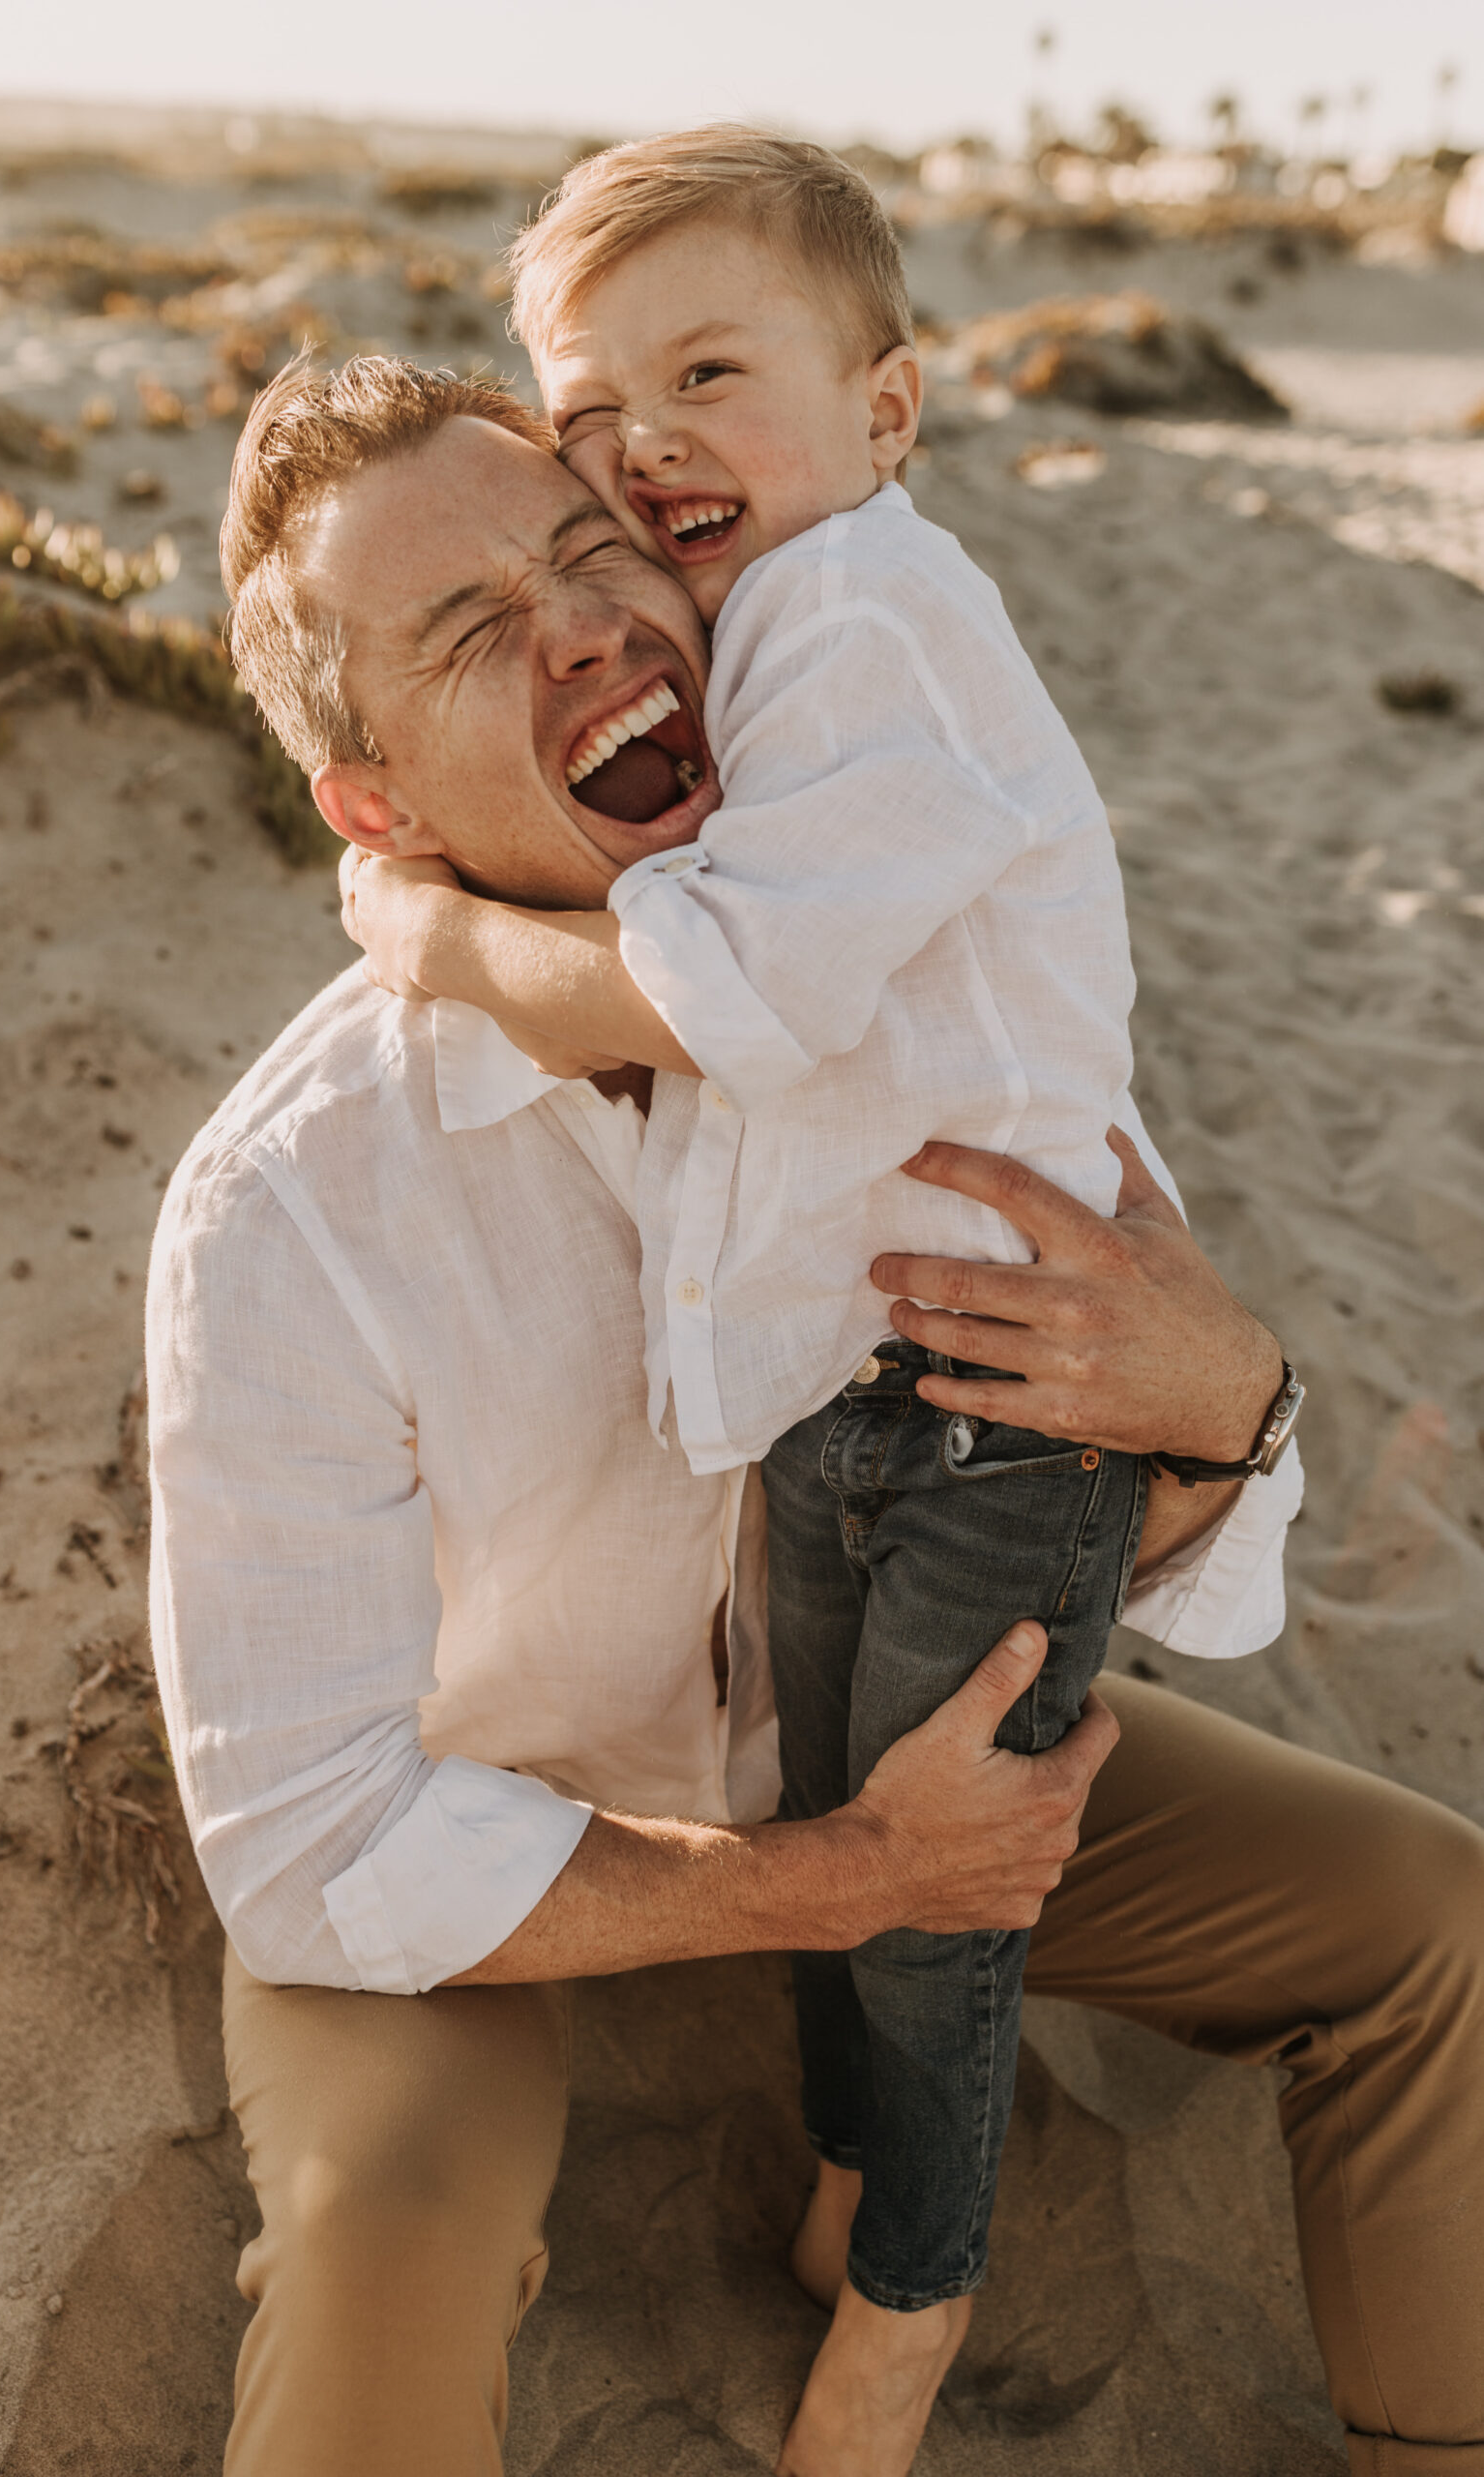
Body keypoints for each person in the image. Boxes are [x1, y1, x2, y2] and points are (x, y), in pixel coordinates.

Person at [145, 352, 1484, 2477]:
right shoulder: (289, 1207)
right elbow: (309, 1847)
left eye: (585, 549)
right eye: (472, 628)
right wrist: (833, 1873)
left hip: (906, 1738)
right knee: (371, 2221)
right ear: (374, 808)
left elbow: (1085, 1524)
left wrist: (1222, 1409)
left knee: (1431, 1925)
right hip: (512, 1833)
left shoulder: (928, 1001)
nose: (575, 619)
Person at [330, 129, 1303, 2466]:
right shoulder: (762, 628)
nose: (644, 441)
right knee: (845, 1815)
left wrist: (430, 936)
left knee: (941, 1883)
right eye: (591, 407)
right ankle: (864, 2161)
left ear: (883, 413)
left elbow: (736, 988)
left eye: (707, 372)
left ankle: (908, 2299)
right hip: (856, 1383)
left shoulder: (871, 614)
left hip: (1003, 1391)